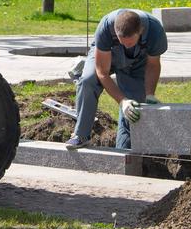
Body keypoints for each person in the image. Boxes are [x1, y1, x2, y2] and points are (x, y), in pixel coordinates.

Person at [66, 9, 168, 150]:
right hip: (106, 54)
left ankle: (125, 151)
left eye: (129, 43)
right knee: (88, 81)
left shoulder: (155, 31)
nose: (125, 46)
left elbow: (153, 65)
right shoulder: (106, 27)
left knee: (134, 110)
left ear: (141, 31)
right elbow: (102, 72)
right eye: (122, 42)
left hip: (138, 61)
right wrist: (122, 100)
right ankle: (81, 135)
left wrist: (150, 94)